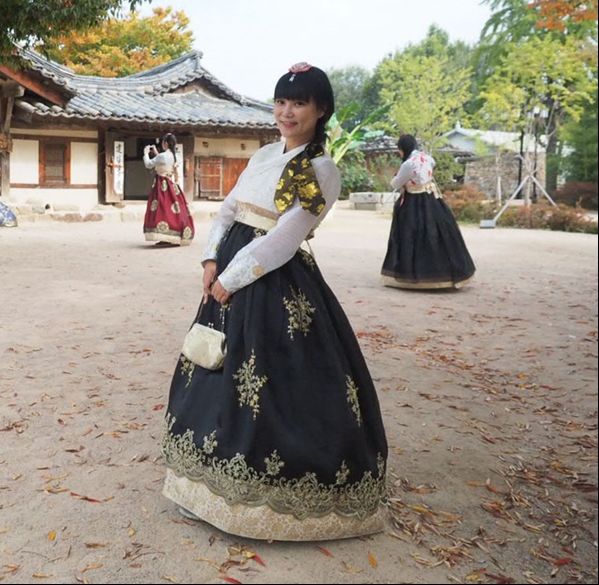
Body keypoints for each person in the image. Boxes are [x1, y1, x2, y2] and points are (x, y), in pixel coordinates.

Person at [161, 63, 389, 542]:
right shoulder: (264, 154)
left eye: (299, 102)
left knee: (270, 386)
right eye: (281, 102)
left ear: (320, 109)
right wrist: (208, 260)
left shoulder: (322, 170)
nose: (287, 112)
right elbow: (228, 210)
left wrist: (233, 277)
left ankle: (266, 498)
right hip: (225, 272)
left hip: (272, 283)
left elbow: (286, 237)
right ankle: (201, 485)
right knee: (213, 366)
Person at [380, 134, 476, 289]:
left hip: (413, 202)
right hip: (432, 200)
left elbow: (396, 184)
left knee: (410, 236)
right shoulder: (428, 158)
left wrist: (396, 178)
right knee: (438, 235)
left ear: (403, 149)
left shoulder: (409, 164)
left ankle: (413, 276)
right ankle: (445, 274)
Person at [142, 133, 194, 246]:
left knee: (162, 209)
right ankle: (175, 234)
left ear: (165, 143)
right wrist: (156, 153)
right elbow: (164, 161)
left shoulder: (163, 156)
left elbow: (149, 164)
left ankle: (165, 235)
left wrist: (146, 153)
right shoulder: (176, 156)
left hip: (162, 185)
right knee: (173, 209)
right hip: (172, 183)